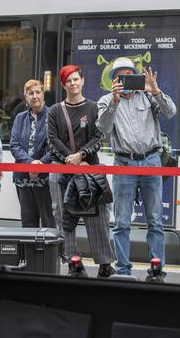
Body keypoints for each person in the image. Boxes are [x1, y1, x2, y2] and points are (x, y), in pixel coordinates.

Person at [97, 57, 176, 276]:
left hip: (151, 160)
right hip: (124, 162)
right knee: (122, 222)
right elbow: (103, 129)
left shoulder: (148, 96)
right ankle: (123, 270)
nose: (125, 80)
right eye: (120, 76)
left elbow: (171, 112)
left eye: (130, 75)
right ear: (113, 80)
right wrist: (114, 101)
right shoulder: (106, 100)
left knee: (155, 220)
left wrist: (156, 90)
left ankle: (156, 269)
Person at [49, 65, 115, 277]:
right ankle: (73, 263)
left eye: (76, 79)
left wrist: (81, 156)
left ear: (83, 81)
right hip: (62, 171)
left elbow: (99, 136)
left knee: (97, 217)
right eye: (69, 81)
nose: (73, 83)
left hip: (90, 172)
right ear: (63, 85)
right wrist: (70, 159)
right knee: (64, 217)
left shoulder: (94, 108)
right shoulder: (55, 111)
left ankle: (105, 265)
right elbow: (53, 141)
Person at [10, 79, 54, 228]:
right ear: (25, 96)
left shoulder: (53, 115)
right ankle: (30, 252)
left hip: (46, 178)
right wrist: (30, 164)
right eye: (31, 93)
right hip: (23, 178)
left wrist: (40, 165)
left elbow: (55, 146)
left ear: (43, 94)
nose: (35, 96)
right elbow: (14, 145)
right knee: (28, 223)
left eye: (38, 92)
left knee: (49, 222)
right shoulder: (20, 118)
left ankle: (50, 252)